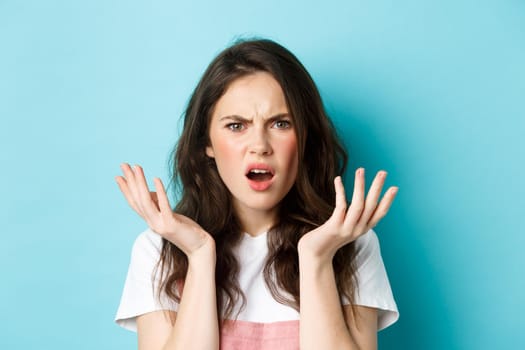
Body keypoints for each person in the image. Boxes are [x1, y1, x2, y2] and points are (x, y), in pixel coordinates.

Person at [114, 38, 399, 350]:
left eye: (280, 123)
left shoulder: (350, 245)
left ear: (305, 138)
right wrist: (198, 255)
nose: (260, 145)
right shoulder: (158, 250)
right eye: (237, 126)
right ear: (206, 143)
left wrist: (316, 259)